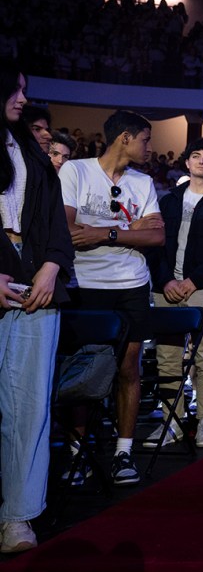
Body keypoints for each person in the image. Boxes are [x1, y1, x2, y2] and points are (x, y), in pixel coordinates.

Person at [59, 110, 165, 485]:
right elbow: (69, 231)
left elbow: (156, 237)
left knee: (127, 369)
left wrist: (106, 234)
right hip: (84, 285)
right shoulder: (75, 171)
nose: (150, 147)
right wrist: (129, 228)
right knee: (86, 370)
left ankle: (123, 452)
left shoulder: (144, 182)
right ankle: (77, 453)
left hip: (132, 284)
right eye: (146, 140)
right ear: (124, 138)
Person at [0, 63, 74, 553]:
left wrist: (51, 265)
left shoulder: (29, 149)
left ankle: (18, 517)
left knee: (27, 407)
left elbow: (52, 221)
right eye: (16, 89)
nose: (24, 99)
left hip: (35, 286)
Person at [145, 137, 203, 450]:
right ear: (186, 163)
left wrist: (193, 281)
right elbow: (154, 244)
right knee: (168, 358)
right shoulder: (168, 200)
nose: (201, 161)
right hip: (166, 288)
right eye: (195, 156)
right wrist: (166, 281)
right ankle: (170, 423)